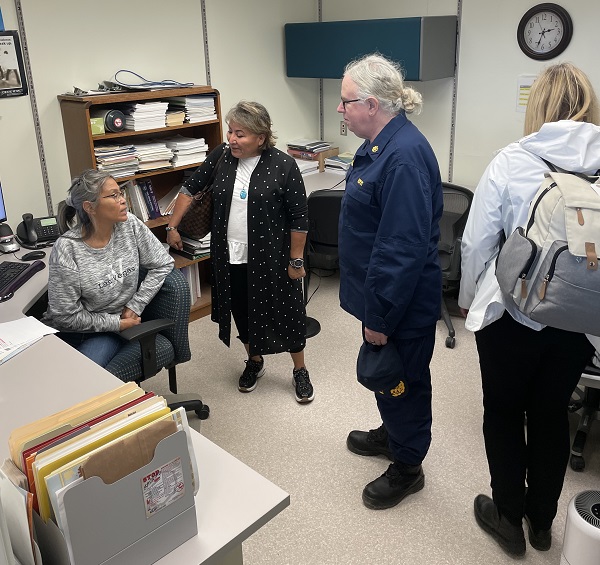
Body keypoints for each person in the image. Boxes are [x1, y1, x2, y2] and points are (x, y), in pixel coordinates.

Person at [458, 62, 600, 557]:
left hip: (512, 316)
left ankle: (507, 516)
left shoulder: (513, 159)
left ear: (537, 105)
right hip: (580, 324)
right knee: (550, 416)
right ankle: (541, 523)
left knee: (502, 412)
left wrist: (469, 302)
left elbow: (477, 244)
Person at [337, 53, 443, 510]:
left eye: (345, 102)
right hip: (383, 296)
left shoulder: (402, 158)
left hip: (400, 305)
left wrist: (378, 316)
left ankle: (408, 466)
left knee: (405, 382)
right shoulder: (382, 144)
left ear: (373, 104)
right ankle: (392, 434)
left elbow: (400, 249)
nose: (340, 110)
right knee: (389, 377)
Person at [166, 101, 314, 403]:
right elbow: (191, 187)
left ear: (261, 137)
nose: (232, 139)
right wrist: (172, 226)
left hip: (272, 255)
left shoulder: (284, 165)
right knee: (242, 310)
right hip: (228, 255)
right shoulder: (221, 156)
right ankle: (255, 361)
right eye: (230, 131)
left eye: (240, 134)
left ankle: (299, 369)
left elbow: (300, 218)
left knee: (286, 312)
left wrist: (295, 259)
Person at [43, 169, 174, 368]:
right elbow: (64, 317)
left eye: (120, 193)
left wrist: (135, 305)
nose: (123, 200)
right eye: (114, 196)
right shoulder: (67, 249)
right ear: (90, 207)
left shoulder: (129, 224)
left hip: (106, 333)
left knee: (85, 377)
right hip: (75, 331)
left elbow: (163, 263)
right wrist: (117, 324)